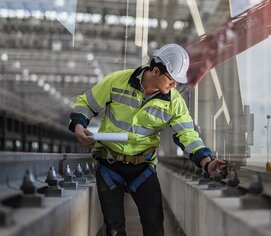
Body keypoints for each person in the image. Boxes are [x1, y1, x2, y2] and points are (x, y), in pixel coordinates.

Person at [68, 43, 228, 236]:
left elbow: (187, 135)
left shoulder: (174, 102)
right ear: (155, 71)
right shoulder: (117, 81)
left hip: (142, 168)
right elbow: (86, 103)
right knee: (114, 229)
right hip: (108, 165)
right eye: (171, 79)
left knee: (154, 227)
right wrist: (78, 125)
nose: (174, 85)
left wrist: (206, 161)